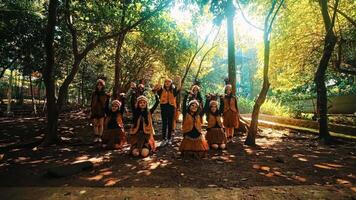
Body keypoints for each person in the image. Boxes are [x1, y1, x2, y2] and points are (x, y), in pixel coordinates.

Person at [155, 78, 179, 146]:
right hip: (164, 108)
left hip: (171, 108)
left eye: (169, 82)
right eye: (166, 82)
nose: (167, 83)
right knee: (164, 123)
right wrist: (159, 79)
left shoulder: (173, 91)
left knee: (170, 123)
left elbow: (179, 88)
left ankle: (169, 138)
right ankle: (163, 139)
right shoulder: (161, 90)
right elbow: (158, 86)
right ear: (164, 83)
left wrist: (179, 79)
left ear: (171, 83)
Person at [90, 79, 110, 143]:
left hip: (102, 110)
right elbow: (92, 102)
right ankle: (96, 136)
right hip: (95, 110)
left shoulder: (104, 93)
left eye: (100, 85)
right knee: (95, 124)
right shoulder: (94, 93)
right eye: (98, 85)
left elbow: (107, 103)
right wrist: (91, 109)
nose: (99, 86)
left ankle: (100, 137)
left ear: (102, 86)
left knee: (101, 124)